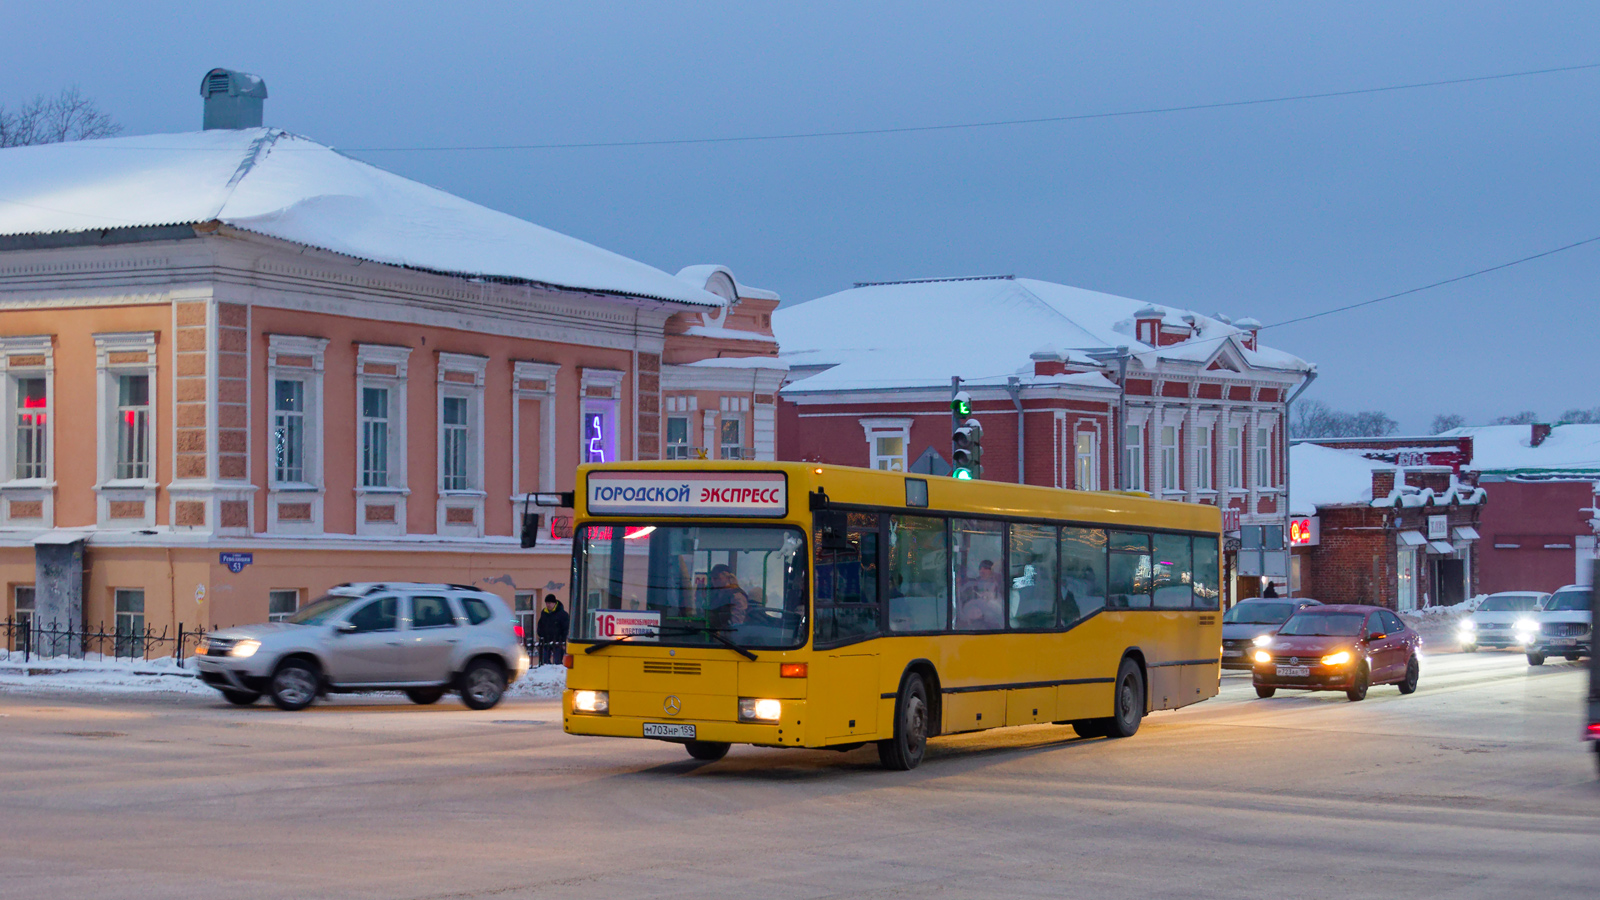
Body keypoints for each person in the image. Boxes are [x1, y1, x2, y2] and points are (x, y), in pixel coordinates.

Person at [706, 564, 750, 628]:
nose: (713, 580)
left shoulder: (737, 596)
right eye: (711, 578)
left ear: (727, 577)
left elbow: (737, 624)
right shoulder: (714, 595)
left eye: (716, 577)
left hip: (725, 636)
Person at [535, 595, 569, 666]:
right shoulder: (544, 613)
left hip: (558, 642)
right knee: (545, 662)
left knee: (557, 662)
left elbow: (566, 628)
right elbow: (540, 625)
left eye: (550, 603)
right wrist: (540, 634)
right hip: (546, 641)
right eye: (547, 603)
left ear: (554, 603)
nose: (548, 605)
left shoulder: (562, 614)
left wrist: (563, 641)